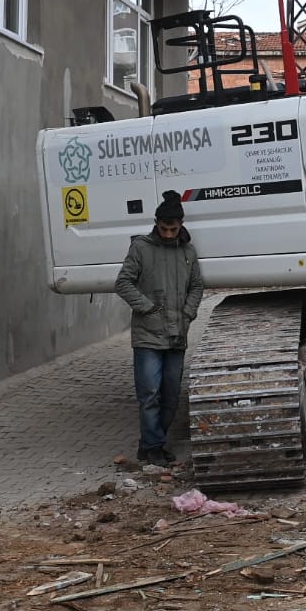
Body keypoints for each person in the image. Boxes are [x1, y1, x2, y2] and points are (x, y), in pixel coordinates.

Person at [115, 190, 203, 467]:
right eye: (163, 229)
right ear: (156, 223)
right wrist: (147, 307)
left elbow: (197, 286)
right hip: (148, 334)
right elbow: (123, 283)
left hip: (177, 333)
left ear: (181, 225)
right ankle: (152, 446)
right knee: (149, 393)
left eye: (173, 229)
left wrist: (188, 314)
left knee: (171, 395)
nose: (168, 234)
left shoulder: (188, 251)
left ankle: (152, 443)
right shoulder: (141, 248)